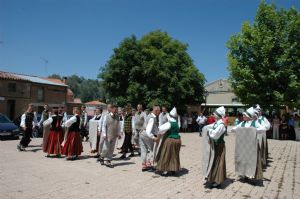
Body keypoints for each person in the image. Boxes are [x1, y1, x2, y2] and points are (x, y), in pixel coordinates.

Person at [233, 107, 266, 182]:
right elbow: (234, 128)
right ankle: (244, 174)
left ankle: (253, 176)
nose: (243, 116)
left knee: (252, 160)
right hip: (243, 145)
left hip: (252, 145)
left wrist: (254, 130)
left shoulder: (255, 122)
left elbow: (263, 128)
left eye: (244, 115)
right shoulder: (242, 123)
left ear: (249, 116)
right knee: (244, 160)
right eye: (243, 115)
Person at [203, 106, 226, 188]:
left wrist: (209, 131)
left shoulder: (221, 125)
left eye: (214, 114)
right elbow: (209, 127)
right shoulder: (216, 123)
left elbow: (215, 135)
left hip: (219, 146)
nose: (213, 114)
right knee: (212, 161)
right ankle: (212, 178)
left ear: (218, 115)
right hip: (214, 145)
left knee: (218, 162)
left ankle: (218, 180)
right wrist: (205, 128)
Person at [155, 107, 181, 177]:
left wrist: (158, 137)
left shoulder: (169, 123)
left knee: (166, 153)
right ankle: (173, 169)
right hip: (178, 140)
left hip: (170, 140)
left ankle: (164, 170)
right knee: (174, 155)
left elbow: (160, 129)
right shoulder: (176, 123)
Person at [140, 106, 160, 172]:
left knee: (144, 150)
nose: (159, 112)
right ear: (156, 110)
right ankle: (149, 164)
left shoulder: (149, 115)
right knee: (151, 149)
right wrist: (154, 137)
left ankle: (144, 165)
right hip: (147, 134)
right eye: (159, 111)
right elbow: (149, 130)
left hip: (142, 133)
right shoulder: (152, 118)